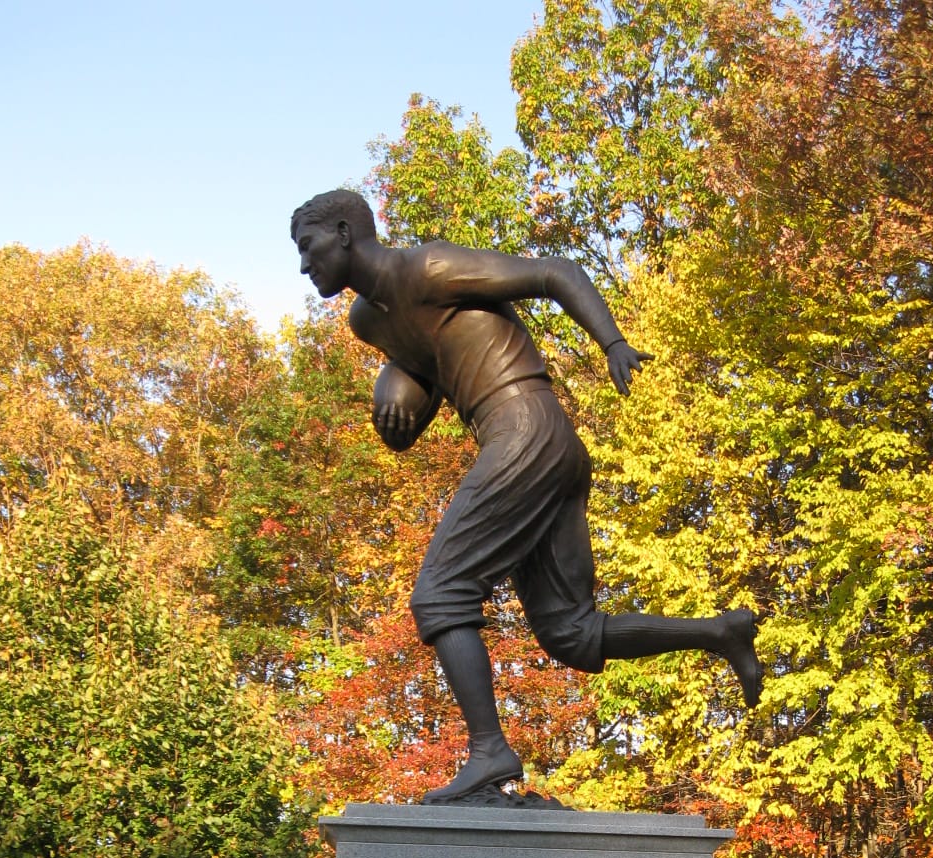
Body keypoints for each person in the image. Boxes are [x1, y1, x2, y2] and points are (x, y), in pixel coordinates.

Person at [291, 188, 763, 804]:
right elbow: (429, 370)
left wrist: (612, 342)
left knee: (440, 593)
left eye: (309, 246)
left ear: (347, 231)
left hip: (524, 424)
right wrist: (396, 389)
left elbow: (552, 271)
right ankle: (720, 633)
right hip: (539, 442)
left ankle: (489, 750)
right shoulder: (368, 321)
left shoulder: (428, 266)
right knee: (569, 632)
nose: (304, 266)